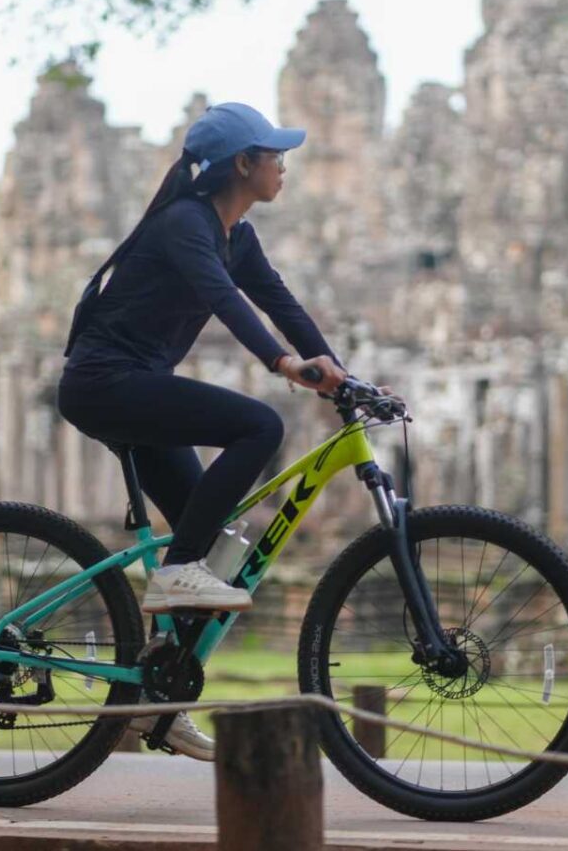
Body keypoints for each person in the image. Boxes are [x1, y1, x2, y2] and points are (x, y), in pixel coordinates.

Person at [56, 102, 347, 759]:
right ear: (242, 165)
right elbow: (225, 299)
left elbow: (278, 300)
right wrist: (282, 364)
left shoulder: (236, 235)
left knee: (216, 548)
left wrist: (344, 377)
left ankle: (158, 699)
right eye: (274, 154)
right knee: (258, 425)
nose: (283, 165)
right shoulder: (186, 223)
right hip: (105, 382)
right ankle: (177, 570)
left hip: (136, 386)